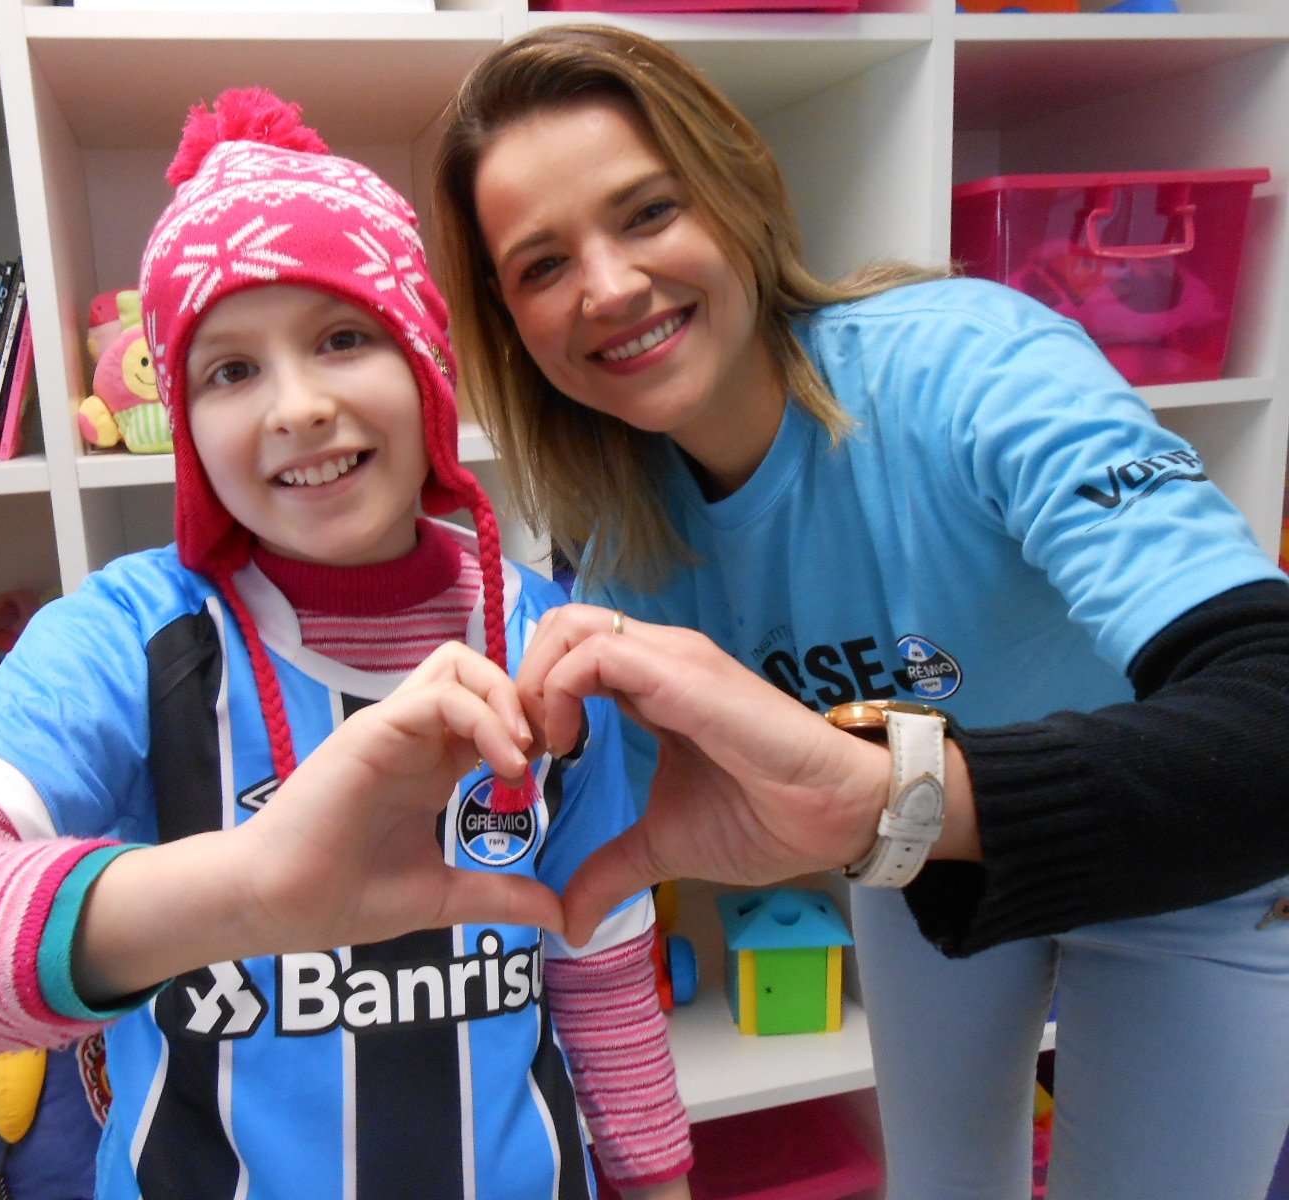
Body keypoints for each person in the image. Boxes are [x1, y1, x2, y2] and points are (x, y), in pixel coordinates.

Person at [0, 89, 693, 1200]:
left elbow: (605, 963)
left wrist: (659, 1181)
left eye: (343, 337)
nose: (297, 407)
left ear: (428, 362)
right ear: (180, 424)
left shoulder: (544, 642)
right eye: (229, 370)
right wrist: (243, 890)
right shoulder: (124, 641)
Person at [430, 23, 1289, 1200]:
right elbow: (557, 826)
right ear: (508, 325)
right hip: (913, 857)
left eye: (646, 212)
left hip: (1190, 856)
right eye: (540, 265)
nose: (611, 286)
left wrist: (895, 790)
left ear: (738, 193)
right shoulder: (618, 549)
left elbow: (1271, 720)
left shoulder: (972, 369)